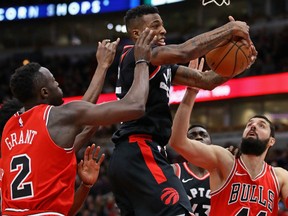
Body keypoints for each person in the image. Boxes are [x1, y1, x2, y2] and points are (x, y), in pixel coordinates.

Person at [108, 4, 257, 216]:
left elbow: (206, 80)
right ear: (137, 33)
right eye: (156, 25)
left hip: (130, 156)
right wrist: (231, 29)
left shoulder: (159, 62)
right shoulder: (138, 55)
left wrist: (241, 65)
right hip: (140, 151)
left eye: (163, 25)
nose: (164, 30)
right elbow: (186, 50)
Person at [0, 28, 156, 216]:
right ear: (44, 93)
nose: (58, 83)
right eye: (54, 81)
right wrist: (141, 60)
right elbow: (136, 106)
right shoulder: (57, 115)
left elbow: (62, 144)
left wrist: (102, 67)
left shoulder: (10, 127)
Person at [169, 66, 288, 215]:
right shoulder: (225, 161)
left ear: (271, 141)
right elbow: (178, 141)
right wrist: (191, 92)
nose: (253, 127)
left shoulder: (280, 177)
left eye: (261, 125)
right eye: (249, 124)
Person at [171, 124, 212, 216]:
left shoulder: (220, 172)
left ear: (211, 143)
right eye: (192, 136)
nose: (198, 137)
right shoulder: (173, 170)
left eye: (203, 135)